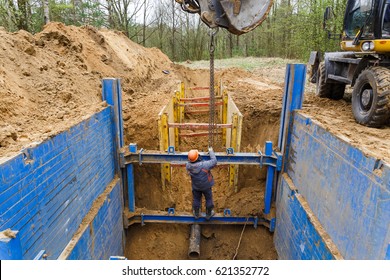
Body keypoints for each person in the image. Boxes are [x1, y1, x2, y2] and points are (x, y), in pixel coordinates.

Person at [186, 147, 217, 220]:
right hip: (206, 186)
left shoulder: (188, 166)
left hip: (196, 186)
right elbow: (214, 161)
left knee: (196, 199)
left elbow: (190, 163)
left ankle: (196, 214)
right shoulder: (205, 165)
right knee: (209, 199)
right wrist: (211, 151)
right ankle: (209, 214)